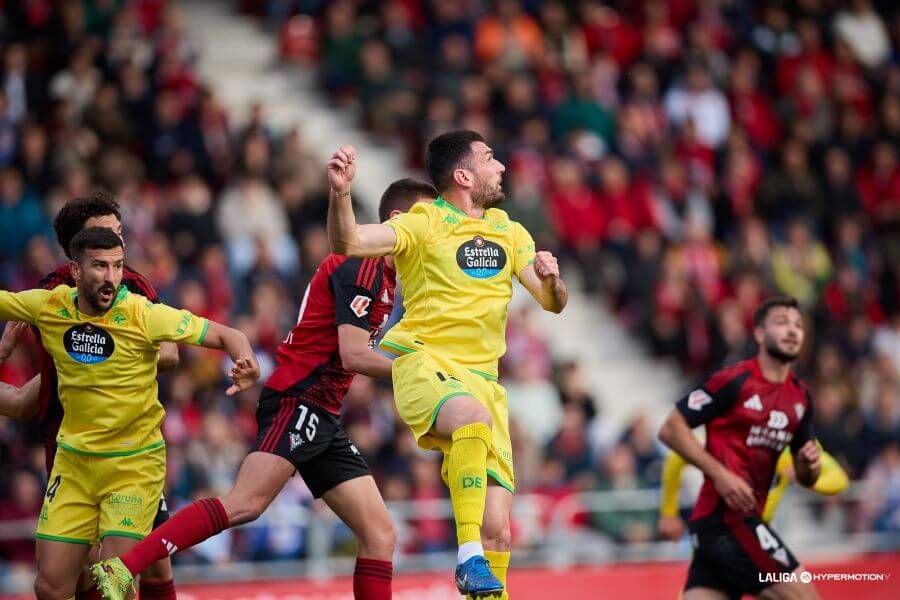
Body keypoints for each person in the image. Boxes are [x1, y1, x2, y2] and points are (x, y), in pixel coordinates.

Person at [91, 178, 437, 600]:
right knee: (245, 504)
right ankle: (122, 567)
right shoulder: (362, 265)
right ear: (400, 221)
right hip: (300, 398)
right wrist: (422, 370)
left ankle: (126, 565)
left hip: (322, 410)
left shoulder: (384, 273)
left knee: (380, 532)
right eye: (430, 217)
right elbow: (354, 356)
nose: (435, 228)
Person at [325, 131, 568, 598]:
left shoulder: (509, 231)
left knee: (501, 530)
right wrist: (341, 193)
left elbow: (552, 304)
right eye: (490, 158)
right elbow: (349, 241)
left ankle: (480, 559)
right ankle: (467, 555)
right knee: (470, 423)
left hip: (486, 382)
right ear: (463, 174)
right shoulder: (425, 222)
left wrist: (552, 281)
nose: (500, 166)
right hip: (426, 363)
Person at [0, 227, 259, 600]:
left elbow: (227, 334)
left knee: (113, 584)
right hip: (74, 464)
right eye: (100, 266)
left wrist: (246, 361)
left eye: (118, 267)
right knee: (49, 586)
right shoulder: (49, 306)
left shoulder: (142, 314)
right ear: (74, 270)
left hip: (132, 467)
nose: (111, 278)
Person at [0, 191, 181, 600]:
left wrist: (116, 363)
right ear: (77, 253)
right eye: (106, 233)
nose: (119, 242)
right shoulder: (48, 293)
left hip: (128, 447)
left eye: (119, 232)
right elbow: (38, 381)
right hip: (67, 440)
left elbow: (169, 352)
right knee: (76, 577)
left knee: (144, 566)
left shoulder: (132, 286)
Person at [658, 296, 822, 600]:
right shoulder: (735, 381)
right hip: (727, 520)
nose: (792, 331)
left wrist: (809, 466)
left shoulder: (800, 398)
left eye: (798, 325)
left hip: (731, 527)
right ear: (759, 333)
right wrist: (720, 474)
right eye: (782, 322)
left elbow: (808, 477)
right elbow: (671, 429)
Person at [658, 443, 849, 540]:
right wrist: (669, 514)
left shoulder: (794, 446)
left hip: (757, 533)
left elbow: (839, 479)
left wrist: (807, 479)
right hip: (720, 533)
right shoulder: (730, 440)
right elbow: (676, 459)